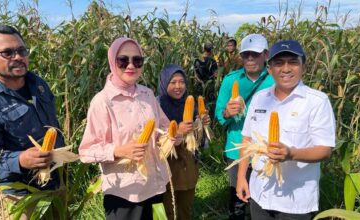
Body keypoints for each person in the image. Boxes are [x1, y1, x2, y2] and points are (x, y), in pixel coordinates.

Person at [236, 40, 335, 220]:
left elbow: (325, 150)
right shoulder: (259, 99)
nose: (286, 69)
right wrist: (241, 177)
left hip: (295, 201)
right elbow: (247, 139)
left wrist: (290, 154)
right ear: (270, 69)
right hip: (260, 194)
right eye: (279, 63)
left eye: (293, 62)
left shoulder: (317, 102)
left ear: (303, 67)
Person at [79, 37, 174, 220]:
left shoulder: (147, 94)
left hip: (154, 186)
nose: (131, 66)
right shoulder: (102, 101)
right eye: (123, 60)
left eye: (137, 60)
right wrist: (119, 150)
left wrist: (172, 135)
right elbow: (86, 152)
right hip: (124, 192)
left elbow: (163, 127)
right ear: (112, 62)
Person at [0, 25, 65, 219]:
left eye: (22, 50)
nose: (17, 57)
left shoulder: (38, 83)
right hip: (14, 198)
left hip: (52, 184)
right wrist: (19, 160)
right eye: (7, 53)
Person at [215, 33, 274, 220]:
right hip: (236, 149)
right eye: (245, 54)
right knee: (237, 202)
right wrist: (227, 113)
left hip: (267, 151)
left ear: (265, 55)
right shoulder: (230, 80)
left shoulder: (276, 80)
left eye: (254, 54)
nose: (249, 59)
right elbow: (219, 114)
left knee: (265, 202)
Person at [157, 64, 210, 220]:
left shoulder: (191, 106)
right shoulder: (156, 105)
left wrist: (202, 126)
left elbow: (202, 144)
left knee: (185, 210)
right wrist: (176, 132)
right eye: (173, 82)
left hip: (188, 167)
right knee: (168, 211)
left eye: (182, 82)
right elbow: (151, 139)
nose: (178, 86)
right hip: (166, 167)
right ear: (164, 82)